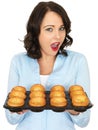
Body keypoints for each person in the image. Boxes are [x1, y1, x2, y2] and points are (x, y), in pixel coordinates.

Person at [5, 1, 91, 130]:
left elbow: (84, 121)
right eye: (49, 29)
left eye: (61, 28)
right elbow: (10, 119)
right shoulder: (18, 61)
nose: (58, 36)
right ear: (36, 31)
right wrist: (17, 110)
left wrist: (73, 108)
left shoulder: (78, 61)